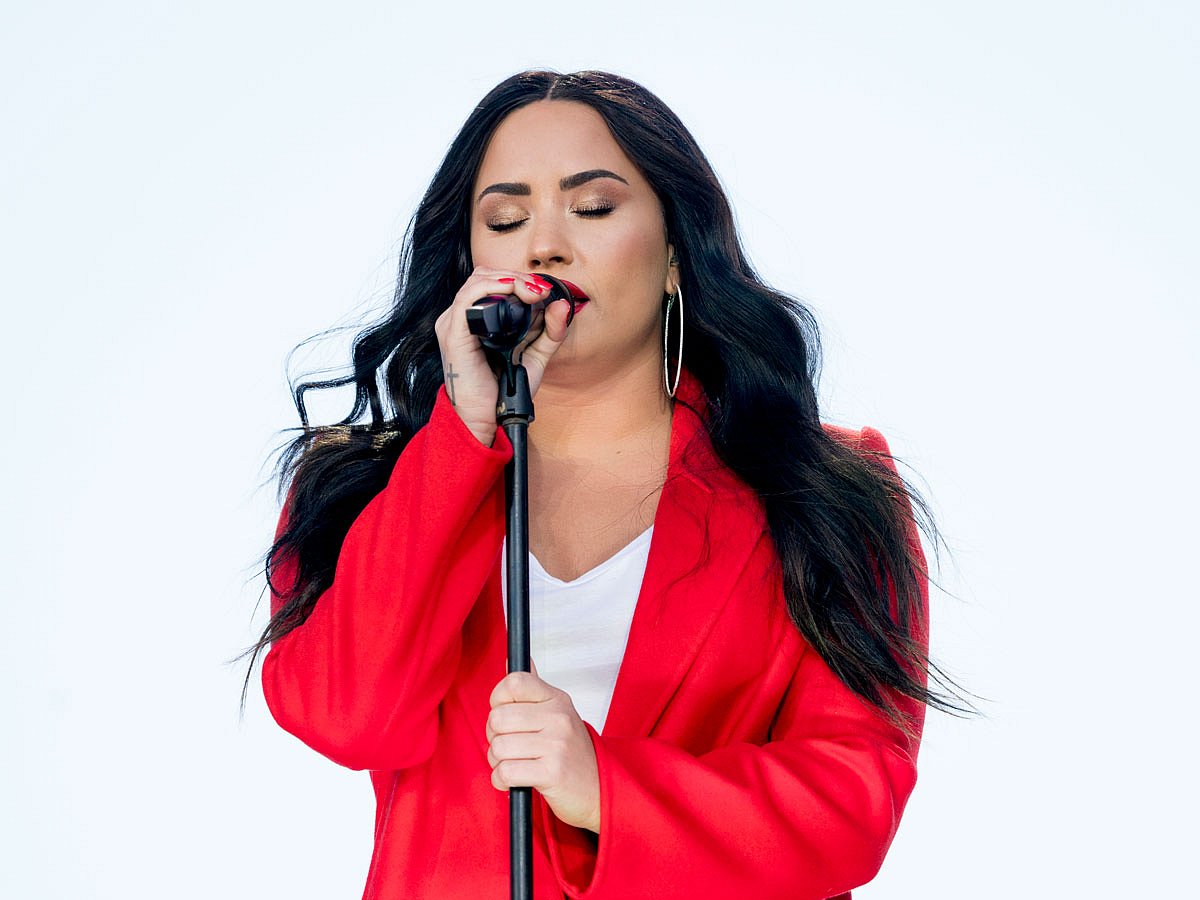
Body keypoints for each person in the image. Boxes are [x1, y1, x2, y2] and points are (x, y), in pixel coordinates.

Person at [248, 70, 957, 900]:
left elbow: (849, 805)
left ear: (673, 257)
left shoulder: (825, 489)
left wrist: (602, 786)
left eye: (593, 208)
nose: (543, 245)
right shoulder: (368, 484)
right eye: (506, 219)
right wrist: (460, 439)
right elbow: (347, 716)